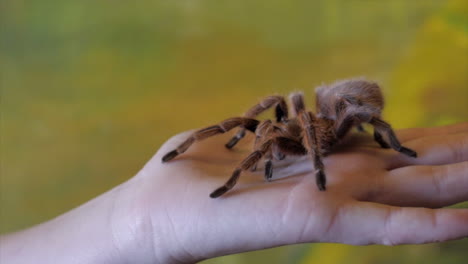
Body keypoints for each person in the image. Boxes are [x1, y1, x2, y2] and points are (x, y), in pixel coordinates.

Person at [1, 123, 467, 264]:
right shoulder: (274, 132)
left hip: (335, 121)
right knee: (263, 126)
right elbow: (261, 126)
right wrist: (136, 222)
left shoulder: (331, 119)